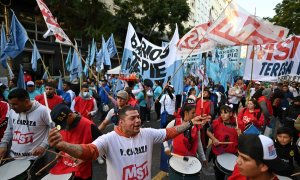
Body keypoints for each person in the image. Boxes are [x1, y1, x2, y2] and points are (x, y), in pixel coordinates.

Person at [48, 105, 211, 180]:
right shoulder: (108, 139)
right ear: (120, 123)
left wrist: (190, 123)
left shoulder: (147, 133)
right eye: (133, 118)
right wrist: (63, 145)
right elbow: (89, 151)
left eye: (139, 117)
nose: (138, 121)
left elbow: (170, 133)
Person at [0, 89, 51, 179]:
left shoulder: (44, 111)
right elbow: (9, 129)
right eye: (11, 104)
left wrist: (44, 145)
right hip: (14, 157)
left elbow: (55, 130)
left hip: (35, 159)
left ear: (26, 102)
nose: (11, 107)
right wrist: (3, 144)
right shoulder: (13, 111)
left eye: (15, 104)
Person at [49, 104, 102, 180]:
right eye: (60, 125)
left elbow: (103, 147)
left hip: (82, 171)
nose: (63, 128)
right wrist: (60, 151)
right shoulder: (60, 127)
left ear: (70, 115)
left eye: (64, 124)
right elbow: (61, 144)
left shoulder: (89, 125)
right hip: (65, 168)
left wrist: (85, 158)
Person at [163, 98, 208, 164]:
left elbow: (198, 142)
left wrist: (203, 158)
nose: (195, 115)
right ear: (186, 113)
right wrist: (166, 148)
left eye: (195, 112)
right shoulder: (175, 122)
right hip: (176, 158)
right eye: (193, 113)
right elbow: (164, 134)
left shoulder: (196, 125)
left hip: (191, 159)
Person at [207, 105, 240, 180]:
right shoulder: (216, 123)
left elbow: (243, 140)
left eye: (225, 113)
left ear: (231, 114)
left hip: (232, 153)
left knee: (231, 174)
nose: (223, 115)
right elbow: (208, 131)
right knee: (219, 174)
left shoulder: (237, 125)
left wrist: (240, 134)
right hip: (219, 151)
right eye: (221, 113)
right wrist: (214, 139)